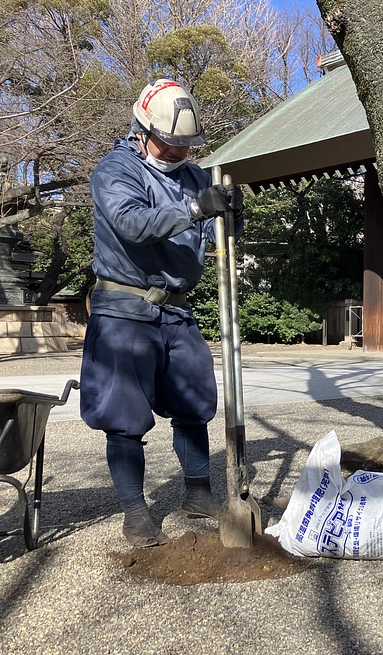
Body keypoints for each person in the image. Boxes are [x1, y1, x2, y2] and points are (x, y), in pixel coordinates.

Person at [80, 79, 244, 547]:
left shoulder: (196, 175)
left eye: (185, 146)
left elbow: (216, 230)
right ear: (142, 128)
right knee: (124, 416)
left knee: (195, 402)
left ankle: (197, 492)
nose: (177, 152)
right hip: (123, 309)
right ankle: (135, 511)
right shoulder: (116, 170)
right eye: (169, 143)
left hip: (177, 310)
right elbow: (132, 224)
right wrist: (195, 209)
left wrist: (229, 214)